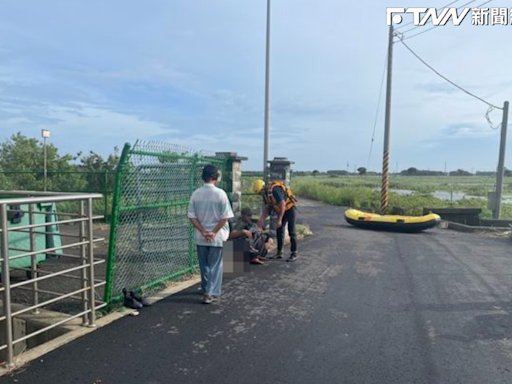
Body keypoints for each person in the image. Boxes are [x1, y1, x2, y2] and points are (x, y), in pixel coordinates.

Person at [188, 165, 234, 304]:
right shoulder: (220, 194)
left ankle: (205, 287)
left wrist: (203, 231)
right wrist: (213, 231)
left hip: (201, 236)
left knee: (204, 264)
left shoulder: (196, 193)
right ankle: (210, 292)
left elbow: (191, 216)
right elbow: (225, 217)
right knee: (216, 265)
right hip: (217, 236)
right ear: (216, 177)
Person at [253, 179, 298, 262]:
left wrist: (279, 219)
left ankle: (294, 253)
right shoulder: (266, 194)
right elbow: (266, 208)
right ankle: (279, 253)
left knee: (292, 231)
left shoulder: (275, 190)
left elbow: (283, 204)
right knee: (279, 230)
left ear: (263, 188)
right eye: (259, 193)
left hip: (290, 209)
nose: (261, 194)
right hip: (282, 210)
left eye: (261, 192)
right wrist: (260, 221)